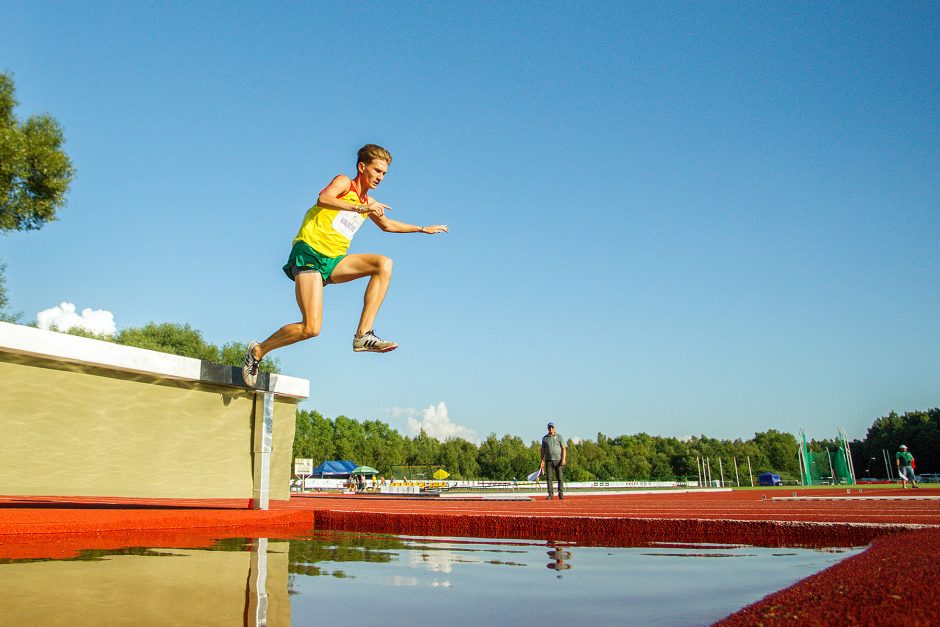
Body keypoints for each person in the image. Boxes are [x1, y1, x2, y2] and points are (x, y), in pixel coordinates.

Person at [242, 144, 448, 386]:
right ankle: (257, 351)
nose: (380, 177)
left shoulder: (368, 201)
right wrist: (361, 207)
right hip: (309, 253)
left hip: (334, 260)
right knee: (311, 328)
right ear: (362, 167)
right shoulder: (344, 183)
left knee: (383, 264)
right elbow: (323, 199)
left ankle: (363, 335)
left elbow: (388, 225)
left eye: (384, 173)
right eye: (377, 171)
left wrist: (423, 229)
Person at [540, 421, 566, 500]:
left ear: (554, 428)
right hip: (549, 460)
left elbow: (563, 448)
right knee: (549, 478)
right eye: (549, 427)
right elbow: (543, 450)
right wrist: (542, 460)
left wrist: (563, 459)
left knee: (560, 477)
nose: (550, 429)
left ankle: (560, 493)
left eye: (552, 427)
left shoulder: (559, 437)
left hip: (558, 460)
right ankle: (550, 494)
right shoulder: (545, 438)